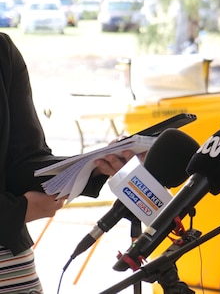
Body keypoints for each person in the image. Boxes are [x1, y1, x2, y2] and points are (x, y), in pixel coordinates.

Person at [0, 33, 132, 293]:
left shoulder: (3, 52)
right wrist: (18, 212)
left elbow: (25, 160)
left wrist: (91, 165)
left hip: (11, 267)